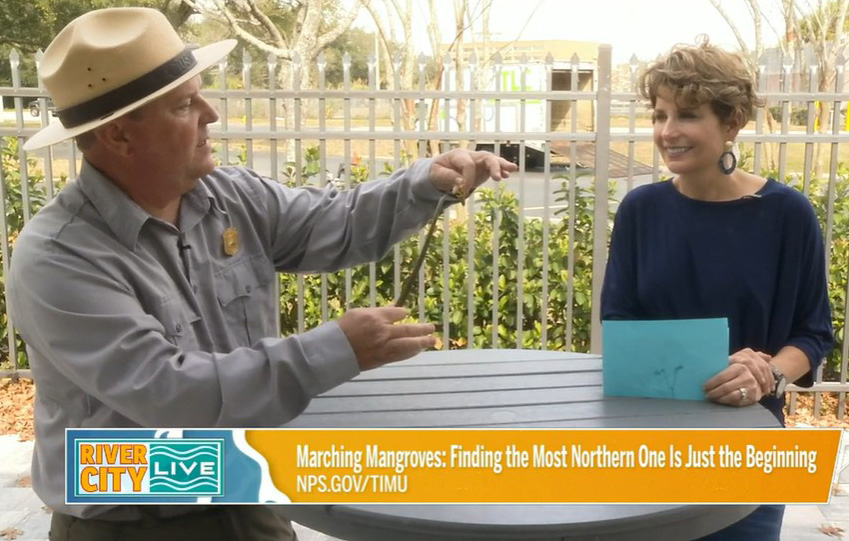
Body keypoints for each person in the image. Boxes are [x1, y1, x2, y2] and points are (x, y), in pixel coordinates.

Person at [8, 7, 516, 541]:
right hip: (132, 521)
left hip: (246, 490)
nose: (211, 113)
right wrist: (337, 348)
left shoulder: (229, 198)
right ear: (119, 138)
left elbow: (336, 221)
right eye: (185, 105)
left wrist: (425, 183)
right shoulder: (60, 257)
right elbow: (172, 392)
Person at [600, 38, 834, 540]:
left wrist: (766, 374)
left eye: (687, 114)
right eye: (660, 114)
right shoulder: (641, 211)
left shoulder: (787, 215)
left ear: (732, 122)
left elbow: (813, 333)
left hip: (747, 442)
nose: (667, 131)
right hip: (648, 440)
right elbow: (619, 321)